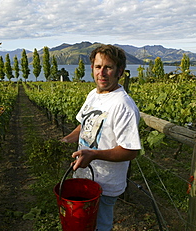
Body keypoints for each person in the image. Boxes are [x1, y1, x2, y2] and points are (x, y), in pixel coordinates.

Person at [61, 44, 142, 231]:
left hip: (105, 184)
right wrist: (65, 140)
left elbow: (130, 151)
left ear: (119, 71)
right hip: (84, 176)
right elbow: (83, 125)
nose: (102, 73)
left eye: (109, 67)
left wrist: (93, 155)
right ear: (92, 69)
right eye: (98, 67)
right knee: (81, 225)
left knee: (100, 227)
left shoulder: (123, 105)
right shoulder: (93, 95)